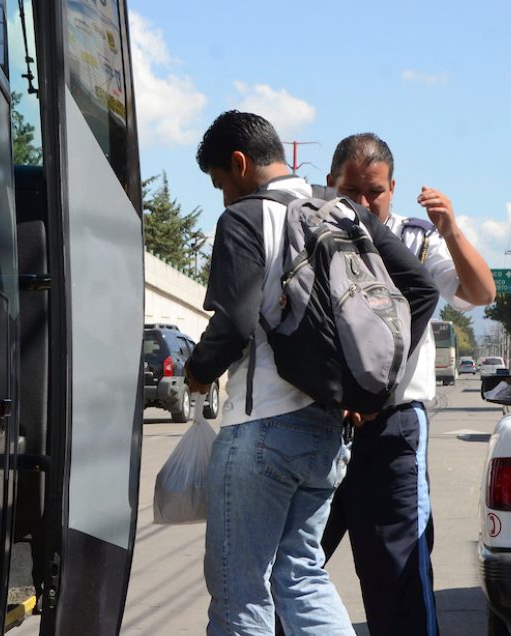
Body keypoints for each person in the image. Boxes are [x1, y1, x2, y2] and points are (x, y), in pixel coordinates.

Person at [184, 112, 438, 636]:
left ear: (239, 163)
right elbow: (420, 290)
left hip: (261, 428)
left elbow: (232, 323)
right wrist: (373, 392)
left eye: (221, 184)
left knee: (240, 590)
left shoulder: (245, 217)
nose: (224, 198)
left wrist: (198, 373)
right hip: (327, 433)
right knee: (300, 577)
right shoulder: (342, 209)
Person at [320, 132, 495, 636]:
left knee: (397, 576)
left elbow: (479, 291)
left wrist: (452, 229)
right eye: (351, 190)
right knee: (293, 565)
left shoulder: (416, 238)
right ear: (333, 185)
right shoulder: (313, 230)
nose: (362, 202)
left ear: (392, 188)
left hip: (393, 431)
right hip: (324, 423)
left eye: (373, 191)